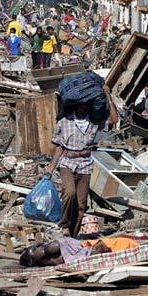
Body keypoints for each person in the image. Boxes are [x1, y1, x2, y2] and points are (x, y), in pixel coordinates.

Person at [46, 100, 104, 237]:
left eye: (85, 104)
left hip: (85, 165)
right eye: (80, 104)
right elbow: (59, 147)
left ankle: (72, 236)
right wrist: (51, 168)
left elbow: (114, 119)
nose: (82, 107)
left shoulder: (94, 122)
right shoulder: (64, 122)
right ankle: (64, 224)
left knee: (81, 205)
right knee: (69, 193)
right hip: (67, 162)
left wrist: (107, 95)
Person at [19, 235, 139, 266]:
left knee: (116, 244)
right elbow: (50, 248)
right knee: (107, 245)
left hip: (86, 252)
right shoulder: (47, 252)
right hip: (87, 253)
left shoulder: (49, 256)